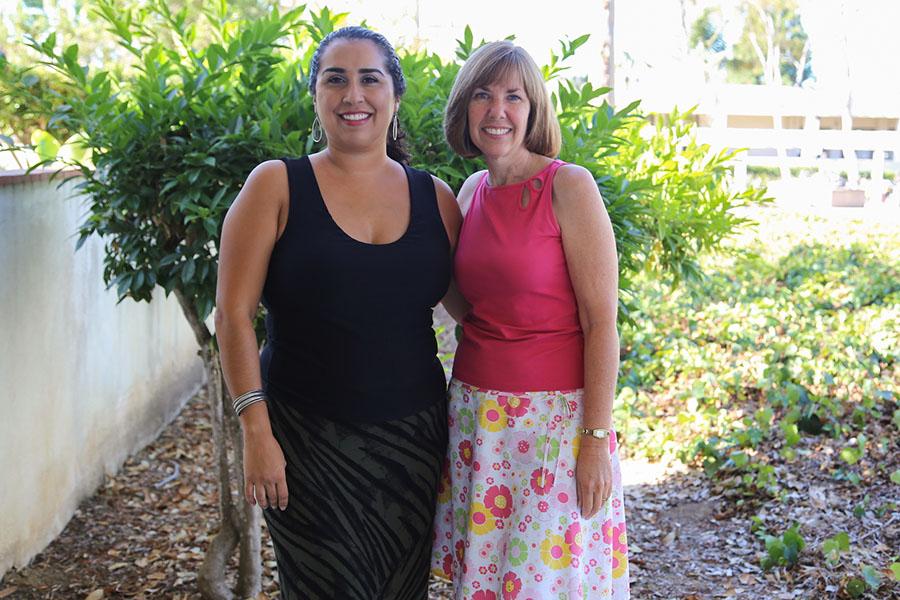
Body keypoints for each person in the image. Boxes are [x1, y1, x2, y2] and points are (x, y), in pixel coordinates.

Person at [215, 26, 462, 600]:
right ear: (316, 96)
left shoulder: (437, 198)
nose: (354, 95)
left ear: (394, 97)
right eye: (336, 79)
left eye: (369, 79)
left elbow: (477, 314)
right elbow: (231, 314)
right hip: (305, 441)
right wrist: (256, 429)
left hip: (414, 442)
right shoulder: (275, 186)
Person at [432, 41, 630, 599]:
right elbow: (467, 301)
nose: (497, 110)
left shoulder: (569, 186)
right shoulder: (470, 192)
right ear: (464, 111)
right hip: (477, 417)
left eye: (513, 96)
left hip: (554, 425)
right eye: (483, 95)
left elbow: (601, 324)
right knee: (489, 580)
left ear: (534, 109)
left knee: (545, 582)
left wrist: (594, 438)